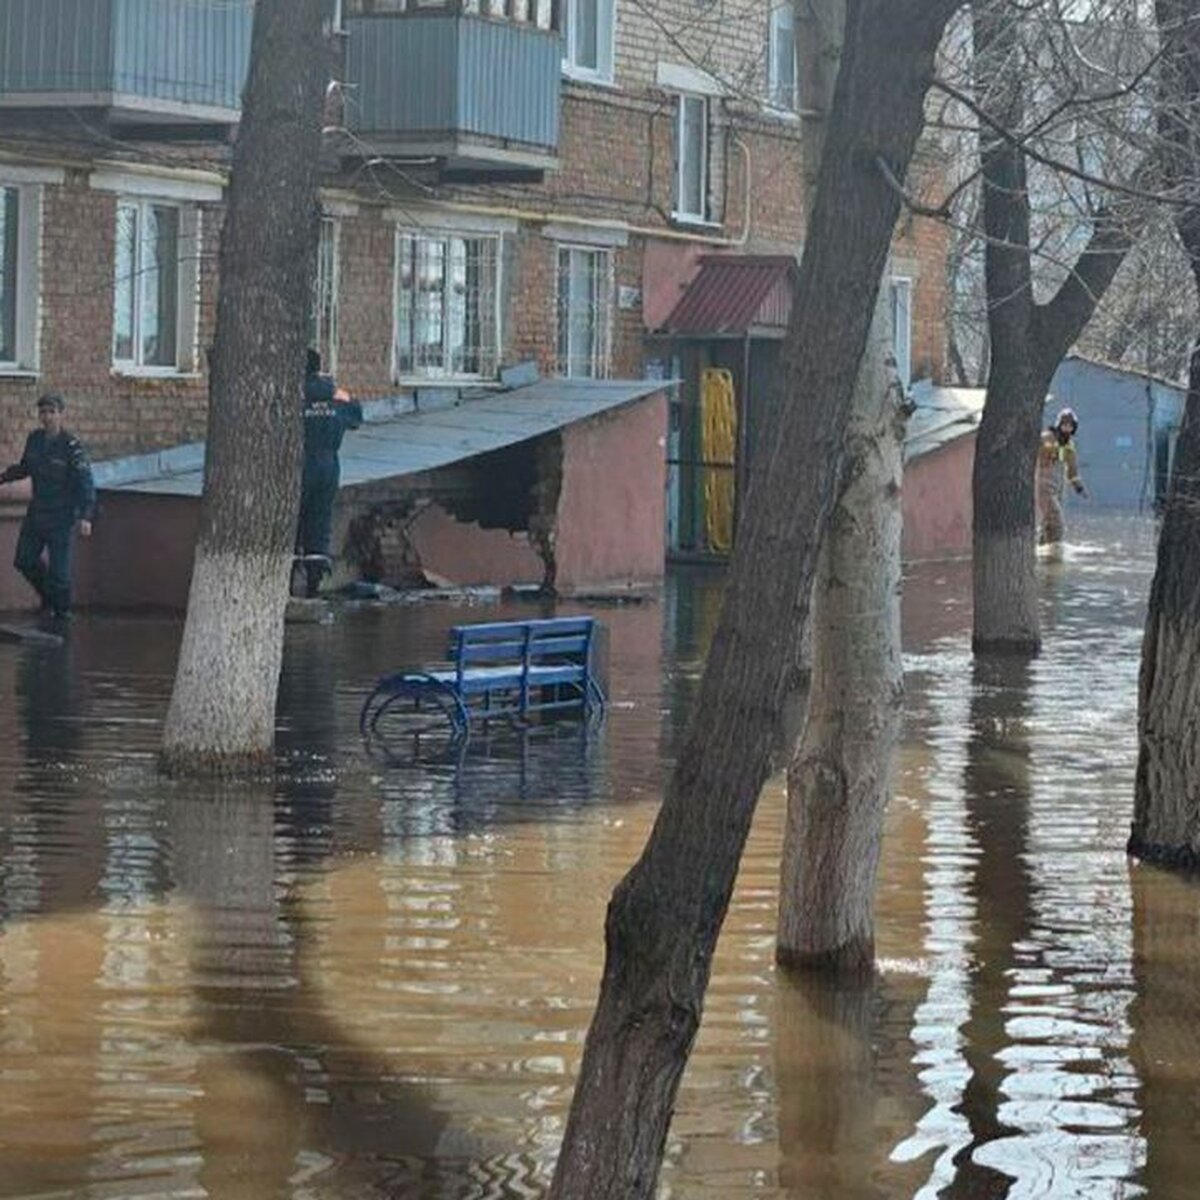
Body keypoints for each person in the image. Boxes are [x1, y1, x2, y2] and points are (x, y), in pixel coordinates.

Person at [0, 393, 96, 618]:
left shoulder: (71, 446)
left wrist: (86, 515)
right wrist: (3, 477)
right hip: (37, 513)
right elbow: (25, 468)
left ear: (61, 414)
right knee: (24, 560)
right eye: (43, 412)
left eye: (52, 412)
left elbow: (85, 482)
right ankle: (49, 598)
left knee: (59, 573)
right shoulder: (35, 439)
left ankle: (62, 616)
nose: (47, 417)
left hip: (61, 516)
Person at [297, 349, 362, 598]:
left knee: (293, 521)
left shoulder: (293, 395)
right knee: (320, 522)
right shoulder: (336, 396)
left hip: (301, 465)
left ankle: (288, 584)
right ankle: (313, 586)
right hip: (329, 465)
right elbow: (356, 418)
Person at [1037, 404, 1088, 547]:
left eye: (1070, 426)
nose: (1067, 428)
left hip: (1058, 489)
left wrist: (1079, 488)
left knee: (1048, 525)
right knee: (1056, 522)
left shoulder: (1069, 446)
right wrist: (1049, 449)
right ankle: (1054, 554)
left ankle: (1042, 553)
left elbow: (1072, 471)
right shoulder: (1047, 437)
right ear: (1059, 424)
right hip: (1044, 487)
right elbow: (1038, 449)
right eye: (1065, 425)